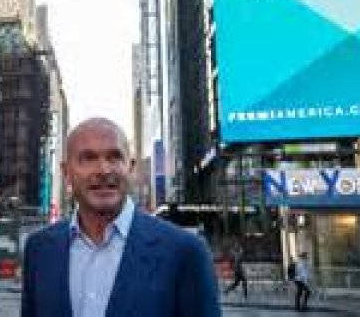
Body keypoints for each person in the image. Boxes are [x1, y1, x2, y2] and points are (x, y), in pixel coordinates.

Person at [21, 118, 221, 317]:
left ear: (130, 168)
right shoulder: (39, 249)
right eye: (88, 158)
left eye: (115, 157)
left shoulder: (186, 252)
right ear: (66, 173)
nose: (103, 170)